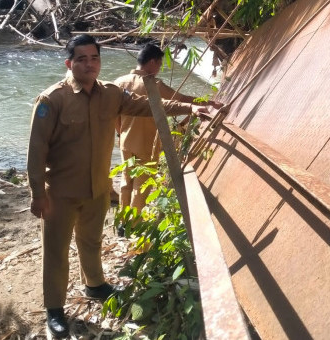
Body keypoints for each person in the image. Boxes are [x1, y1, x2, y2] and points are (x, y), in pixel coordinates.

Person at [27, 34, 212, 339]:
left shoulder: (112, 94)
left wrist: (190, 108)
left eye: (95, 58)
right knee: (56, 252)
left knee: (91, 241)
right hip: (60, 192)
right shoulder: (52, 100)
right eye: (82, 59)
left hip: (98, 188)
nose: (90, 64)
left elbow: (148, 105)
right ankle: (55, 310)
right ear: (69, 63)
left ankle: (95, 283)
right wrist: (37, 195)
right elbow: (36, 152)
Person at [113, 44, 223, 215]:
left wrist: (120, 133)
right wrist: (209, 103)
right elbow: (181, 100)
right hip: (147, 143)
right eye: (158, 64)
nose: (158, 69)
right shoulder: (154, 85)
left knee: (127, 181)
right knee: (141, 185)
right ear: (152, 62)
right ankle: (133, 224)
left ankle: (123, 218)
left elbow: (114, 115)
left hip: (125, 140)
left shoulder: (119, 82)